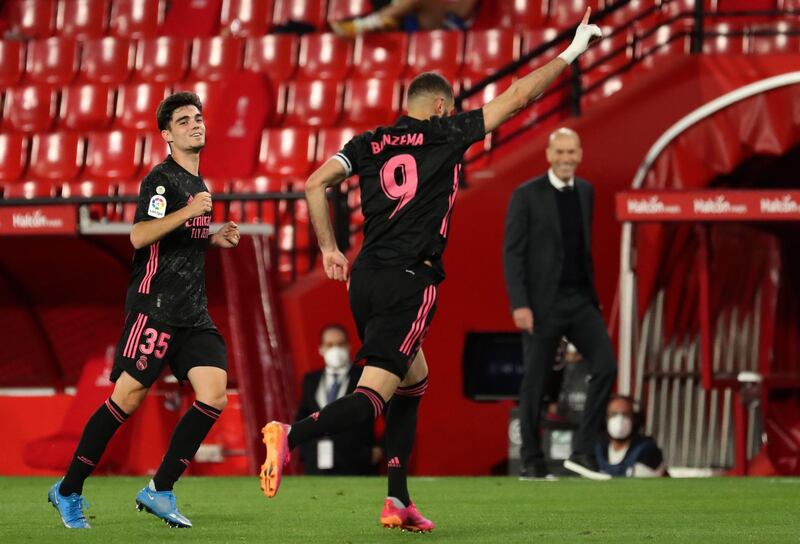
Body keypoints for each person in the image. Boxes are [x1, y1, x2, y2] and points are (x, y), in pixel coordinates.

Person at [260, 9, 602, 533]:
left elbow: (313, 183)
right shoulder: (444, 135)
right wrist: (572, 52)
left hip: (366, 278)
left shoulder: (368, 143)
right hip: (409, 280)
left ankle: (398, 500)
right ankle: (291, 434)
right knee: (372, 396)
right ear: (441, 107)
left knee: (413, 382)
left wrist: (330, 248)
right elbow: (517, 97)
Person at [47, 92, 241, 529]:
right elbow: (139, 235)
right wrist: (191, 212)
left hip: (193, 312)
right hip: (154, 307)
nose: (196, 124)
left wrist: (213, 236)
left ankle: (160, 489)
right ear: (167, 134)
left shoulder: (198, 184)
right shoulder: (162, 180)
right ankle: (68, 490)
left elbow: (180, 241)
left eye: (199, 117)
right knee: (126, 399)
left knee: (213, 395)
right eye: (185, 120)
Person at [504, 126, 618, 482]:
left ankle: (583, 454)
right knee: (535, 383)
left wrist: (592, 299)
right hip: (541, 305)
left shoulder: (586, 191)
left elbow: (582, 250)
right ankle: (531, 462)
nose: (567, 158)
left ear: (580, 154)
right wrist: (520, 304)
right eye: (561, 152)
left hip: (581, 300)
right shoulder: (526, 195)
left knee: (606, 366)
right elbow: (513, 253)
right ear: (549, 156)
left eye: (573, 152)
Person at [297, 324, 382, 475]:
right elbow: (302, 416)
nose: (335, 349)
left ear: (349, 346)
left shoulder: (366, 376)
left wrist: (381, 449)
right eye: (329, 345)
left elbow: (393, 414)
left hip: (357, 463)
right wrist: (306, 450)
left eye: (340, 344)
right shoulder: (310, 380)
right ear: (321, 349)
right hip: (316, 463)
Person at [595, 395, 667, 477]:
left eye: (626, 414)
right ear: (605, 419)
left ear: (635, 419)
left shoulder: (647, 451)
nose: (619, 420)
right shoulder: (598, 450)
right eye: (613, 414)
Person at [331, 0, 481, 38]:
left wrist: (438, 5)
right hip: (419, 18)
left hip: (452, 27)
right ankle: (385, 21)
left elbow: (462, 11)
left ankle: (369, 23)